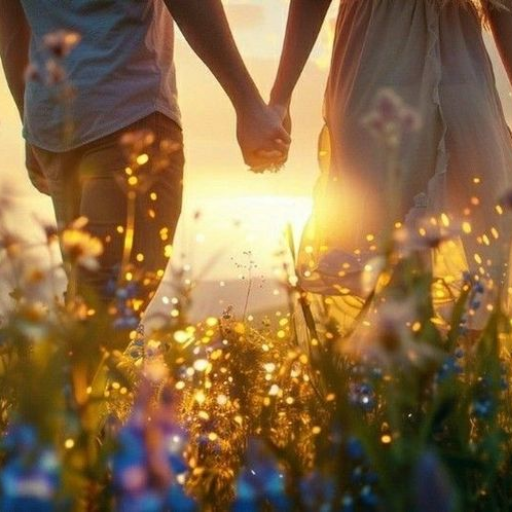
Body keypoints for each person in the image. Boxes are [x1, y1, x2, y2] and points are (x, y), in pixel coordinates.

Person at [0, 0, 290, 312]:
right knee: (102, 312)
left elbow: (10, 18)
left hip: (56, 124)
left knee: (87, 307)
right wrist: (247, 104)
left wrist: (30, 119)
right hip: (128, 115)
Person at [270, 0, 512, 328]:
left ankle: (468, 369)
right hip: (374, 50)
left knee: (486, 212)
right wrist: (280, 98)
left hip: (458, 45)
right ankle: (400, 367)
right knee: (386, 236)